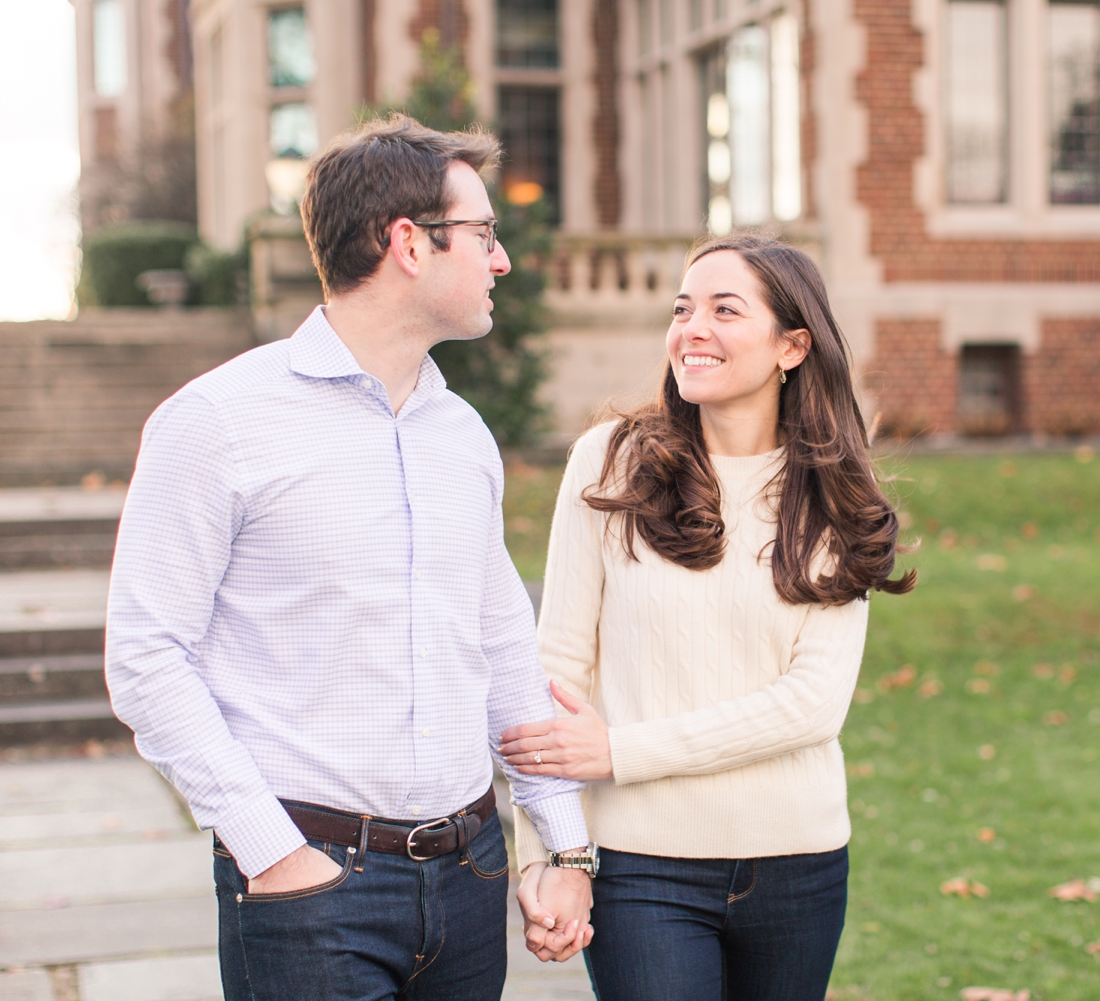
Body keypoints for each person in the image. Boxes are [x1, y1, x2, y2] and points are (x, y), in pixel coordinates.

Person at [105, 114, 595, 1001]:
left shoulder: (463, 434)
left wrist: (563, 843)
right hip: (310, 886)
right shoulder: (215, 422)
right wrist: (270, 849)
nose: (502, 260)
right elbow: (146, 658)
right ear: (408, 243)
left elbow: (502, 649)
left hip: (474, 875)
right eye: (484, 234)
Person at [499, 235, 915, 1000]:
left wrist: (620, 749)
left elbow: (811, 705)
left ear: (793, 345)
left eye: (725, 310)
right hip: (638, 865)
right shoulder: (608, 463)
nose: (693, 328)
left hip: (798, 864)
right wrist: (554, 856)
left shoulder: (834, 495)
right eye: (683, 308)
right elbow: (553, 677)